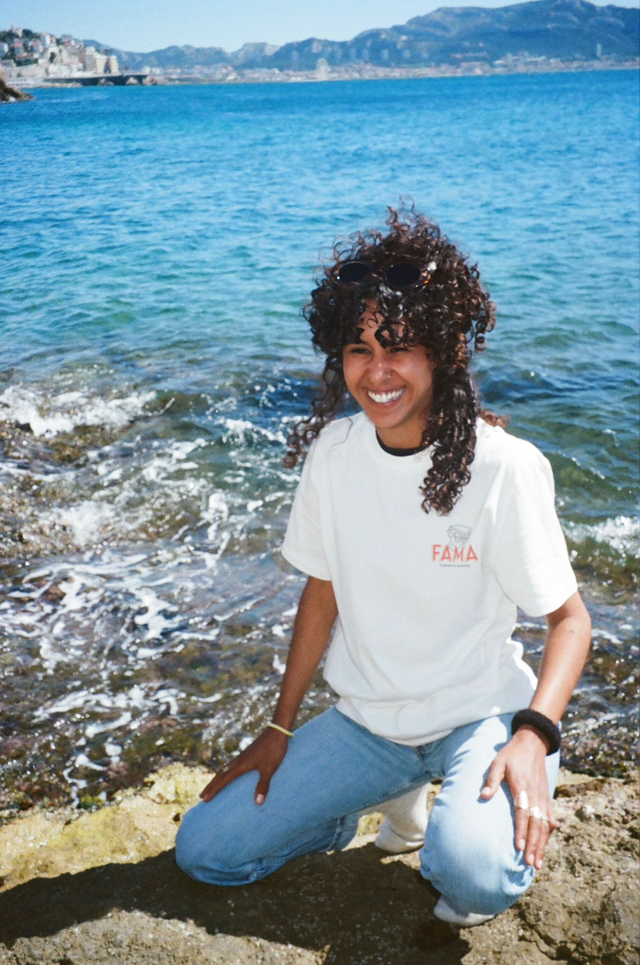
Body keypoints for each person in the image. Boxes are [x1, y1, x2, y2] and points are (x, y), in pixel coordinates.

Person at [175, 208, 591, 928]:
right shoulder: (335, 453)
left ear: (443, 351)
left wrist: (534, 734)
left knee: (473, 876)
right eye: (358, 349)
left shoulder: (505, 467)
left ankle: (444, 814)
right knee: (206, 851)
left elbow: (570, 620)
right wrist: (279, 728)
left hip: (480, 718)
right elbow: (323, 591)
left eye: (399, 348)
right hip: (368, 725)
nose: (377, 372)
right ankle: (372, 805)